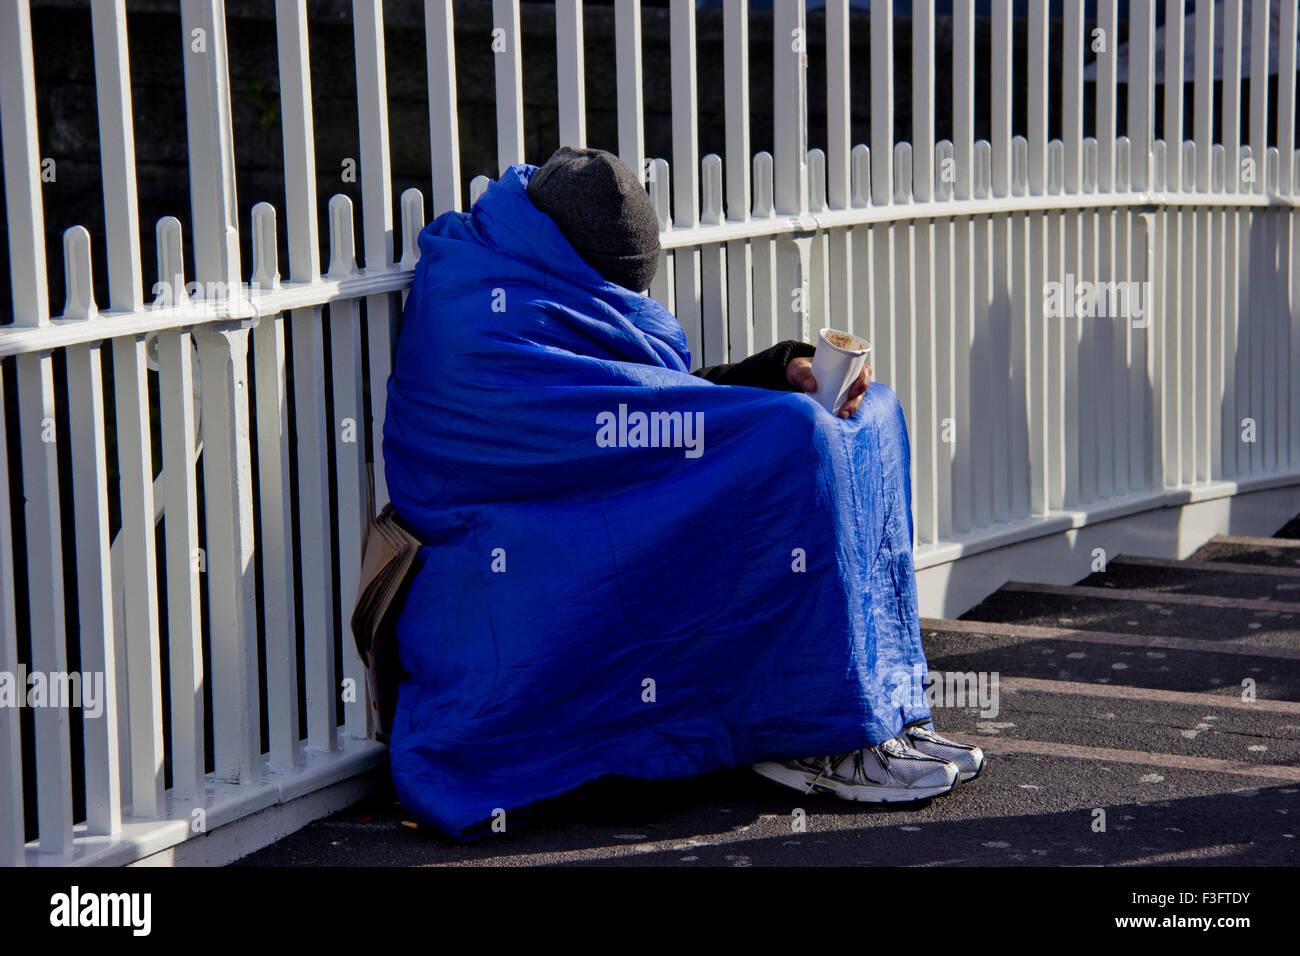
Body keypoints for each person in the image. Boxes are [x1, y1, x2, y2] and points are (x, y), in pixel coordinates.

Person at [382, 146, 983, 840]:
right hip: (507, 537)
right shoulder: (476, 305)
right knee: (793, 438)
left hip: (578, 496)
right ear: (582, 270)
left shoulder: (535, 262)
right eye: (620, 291)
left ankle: (883, 709)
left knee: (870, 413)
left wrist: (772, 371)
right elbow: (605, 419)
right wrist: (758, 412)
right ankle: (809, 734)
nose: (633, 305)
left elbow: (633, 400)